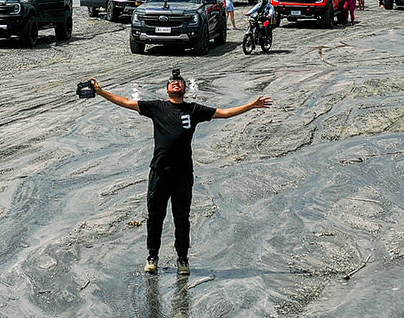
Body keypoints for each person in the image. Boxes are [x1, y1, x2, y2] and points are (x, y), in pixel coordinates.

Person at [84, 69, 272, 274]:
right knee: (155, 216)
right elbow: (126, 102)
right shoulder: (157, 107)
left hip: (183, 174)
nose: (176, 84)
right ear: (167, 90)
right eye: (172, 82)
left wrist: (252, 106)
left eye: (179, 82)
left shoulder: (193, 110)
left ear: (184, 88)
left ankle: (182, 259)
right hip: (159, 172)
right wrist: (101, 92)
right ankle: (152, 256)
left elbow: (224, 113)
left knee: (181, 217)